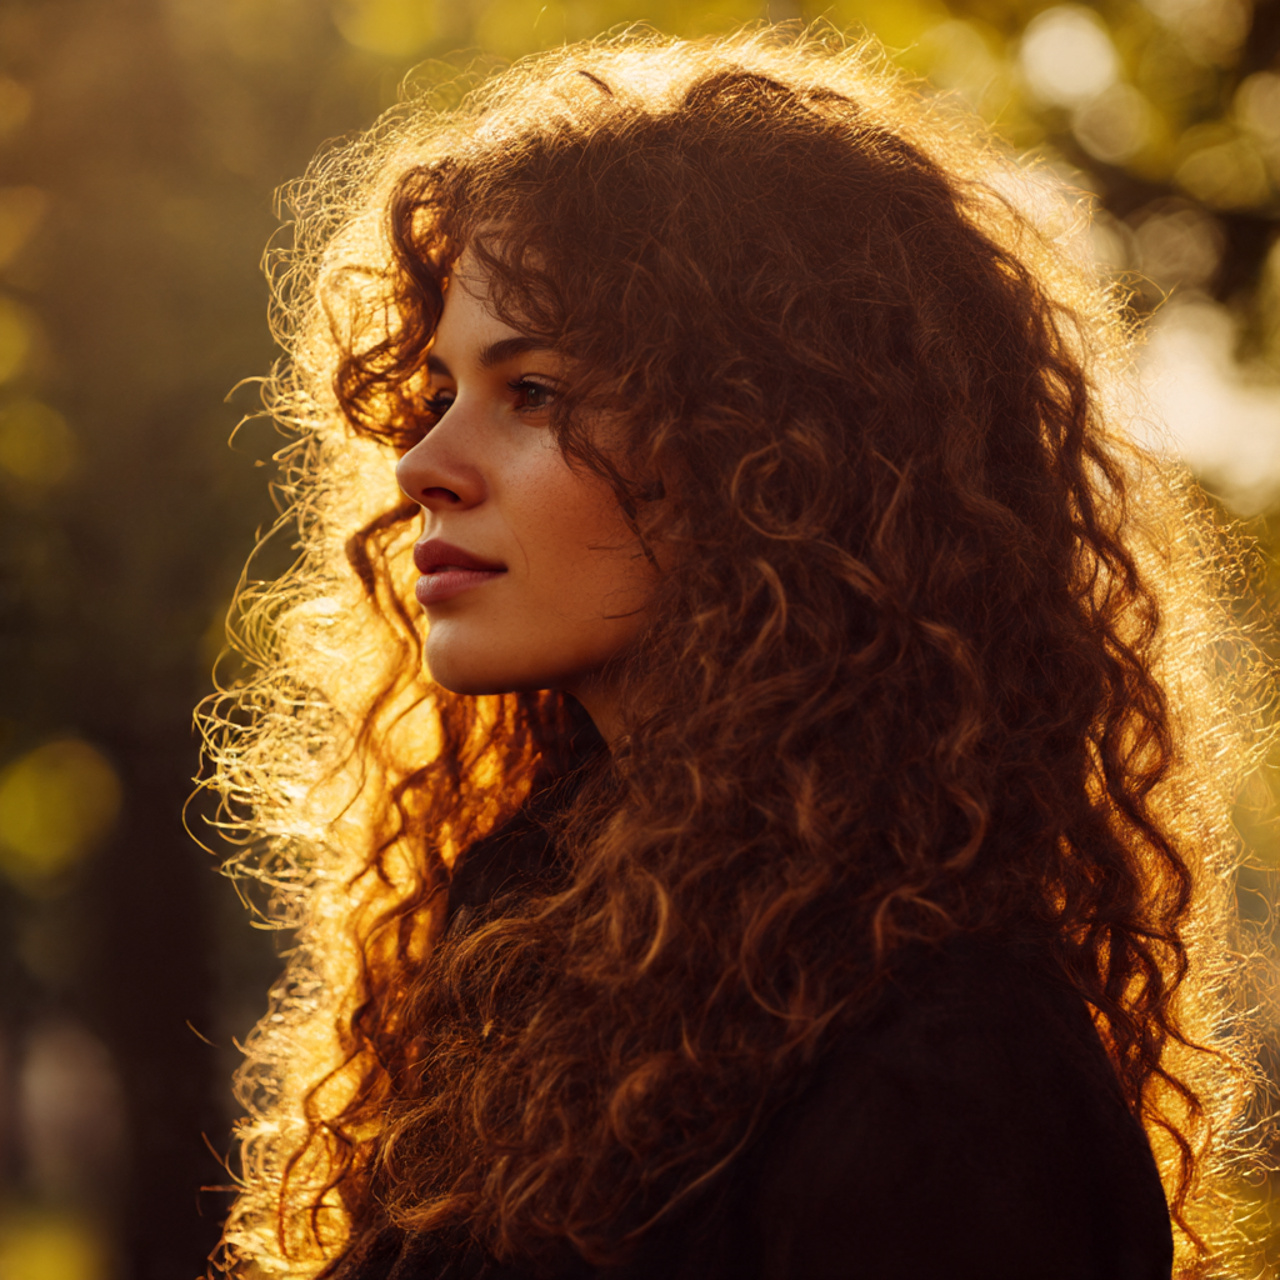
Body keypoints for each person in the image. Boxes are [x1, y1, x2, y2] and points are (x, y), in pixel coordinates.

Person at [200, 28, 1268, 1280]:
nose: (421, 464)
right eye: (439, 391)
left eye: (532, 391)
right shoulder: (531, 946)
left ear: (775, 457)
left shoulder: (940, 1068)